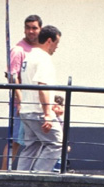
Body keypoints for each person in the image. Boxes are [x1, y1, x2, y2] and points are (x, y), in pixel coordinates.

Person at [16, 25, 62, 173]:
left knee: (31, 147)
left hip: (27, 110)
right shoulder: (44, 59)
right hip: (38, 112)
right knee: (57, 143)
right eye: (56, 43)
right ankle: (38, 177)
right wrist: (48, 113)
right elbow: (42, 86)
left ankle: (20, 180)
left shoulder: (28, 57)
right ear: (49, 41)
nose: (56, 48)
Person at [1, 14, 42, 171]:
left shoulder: (38, 48)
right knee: (15, 141)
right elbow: (12, 78)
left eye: (34, 28)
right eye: (28, 28)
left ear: (40, 29)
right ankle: (4, 174)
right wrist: (21, 102)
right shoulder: (18, 50)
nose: (31, 31)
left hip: (36, 103)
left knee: (33, 140)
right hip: (22, 104)